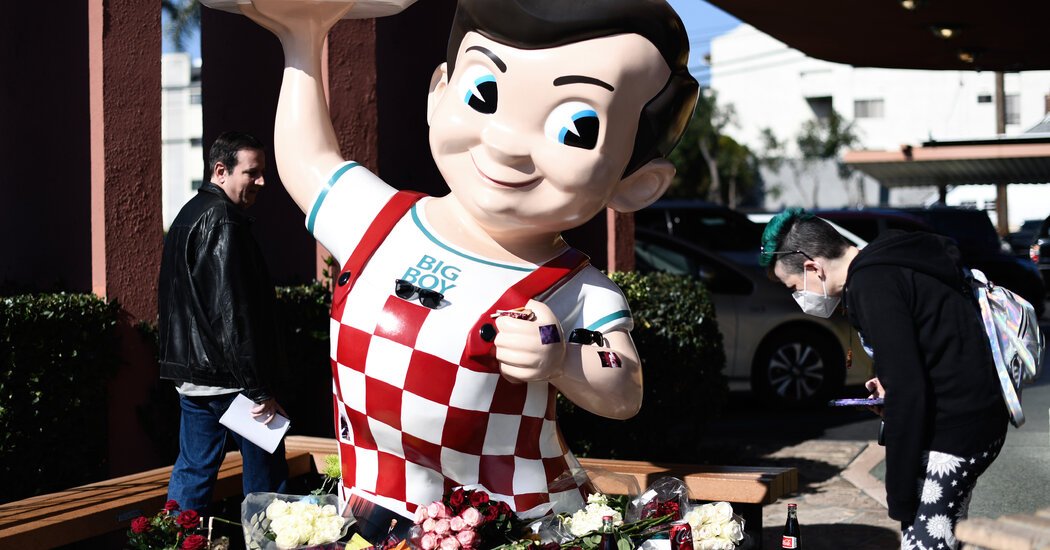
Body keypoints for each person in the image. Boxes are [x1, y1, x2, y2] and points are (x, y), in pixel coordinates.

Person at [235, 0, 698, 529]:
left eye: (576, 126)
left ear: (637, 182)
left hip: (509, 525)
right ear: (439, 93)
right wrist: (301, 38)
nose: (505, 143)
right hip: (369, 510)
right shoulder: (380, 222)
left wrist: (564, 357)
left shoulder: (576, 288)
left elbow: (624, 387)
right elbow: (309, 159)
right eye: (484, 93)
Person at [759, 208, 1008, 549]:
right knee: (945, 535)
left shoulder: (872, 284)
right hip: (976, 418)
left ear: (812, 268)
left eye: (793, 287)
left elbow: (908, 390)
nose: (797, 297)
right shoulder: (887, 261)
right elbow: (920, 356)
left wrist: (900, 493)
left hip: (955, 430)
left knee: (924, 541)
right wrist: (887, 386)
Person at [158, 131, 289, 513]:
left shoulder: (187, 214)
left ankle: (174, 540)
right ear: (221, 170)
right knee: (266, 483)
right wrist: (259, 389)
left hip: (194, 378)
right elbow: (233, 316)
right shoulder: (224, 222)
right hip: (233, 381)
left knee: (194, 472)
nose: (262, 181)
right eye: (253, 172)